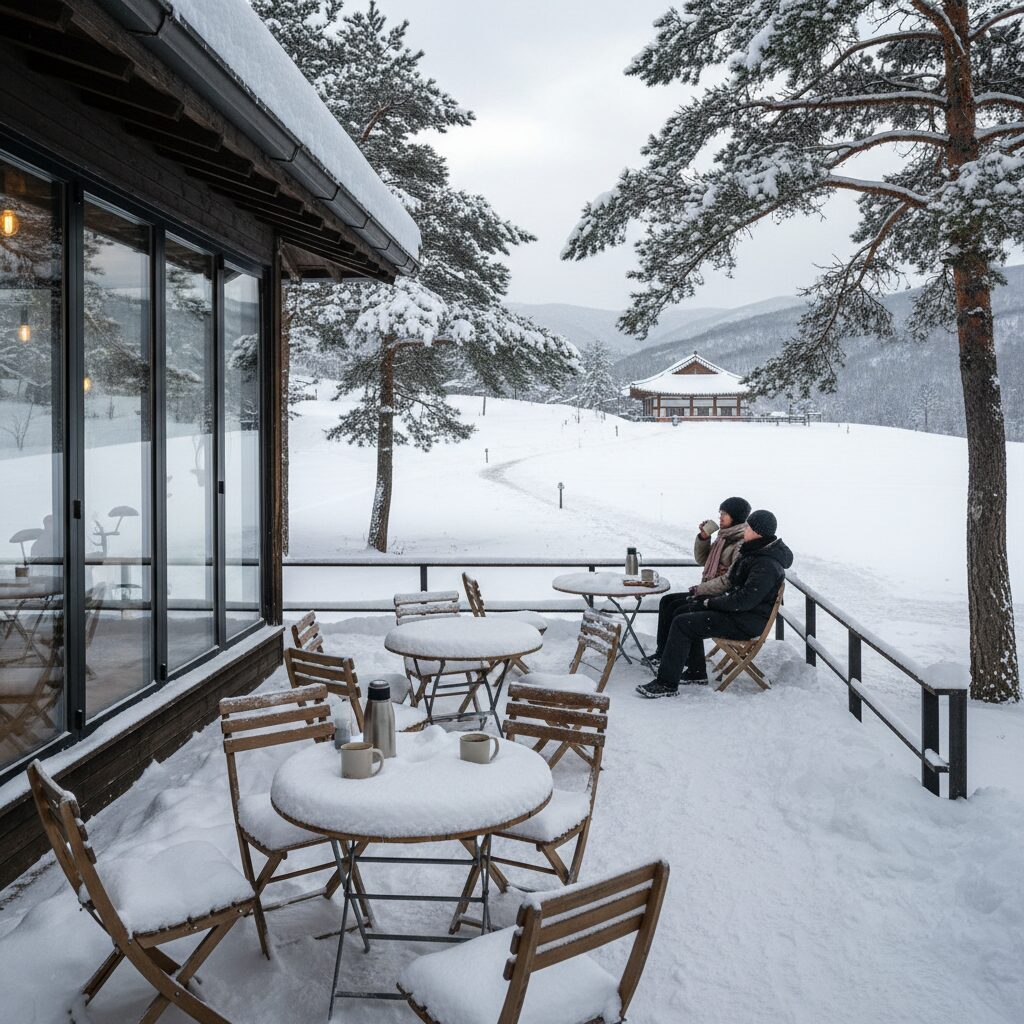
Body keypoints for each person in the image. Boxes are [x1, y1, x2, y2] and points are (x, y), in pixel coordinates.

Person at [637, 509, 792, 698]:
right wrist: (704, 598)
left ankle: (666, 684)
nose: (745, 530)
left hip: (746, 622)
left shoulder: (766, 564)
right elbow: (733, 585)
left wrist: (710, 603)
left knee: (684, 623)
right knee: (685, 612)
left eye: (748, 527)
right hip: (739, 614)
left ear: (758, 532)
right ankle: (695, 672)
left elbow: (744, 600)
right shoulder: (754, 553)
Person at [649, 496, 751, 665]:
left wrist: (702, 589)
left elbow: (731, 579)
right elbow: (703, 560)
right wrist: (704, 537)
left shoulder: (739, 542)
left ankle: (685, 663)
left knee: (680, 610)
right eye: (720, 513)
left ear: (736, 516)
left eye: (724, 514)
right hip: (710, 591)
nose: (720, 517)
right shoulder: (723, 537)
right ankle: (662, 652)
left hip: (720, 597)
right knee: (667, 601)